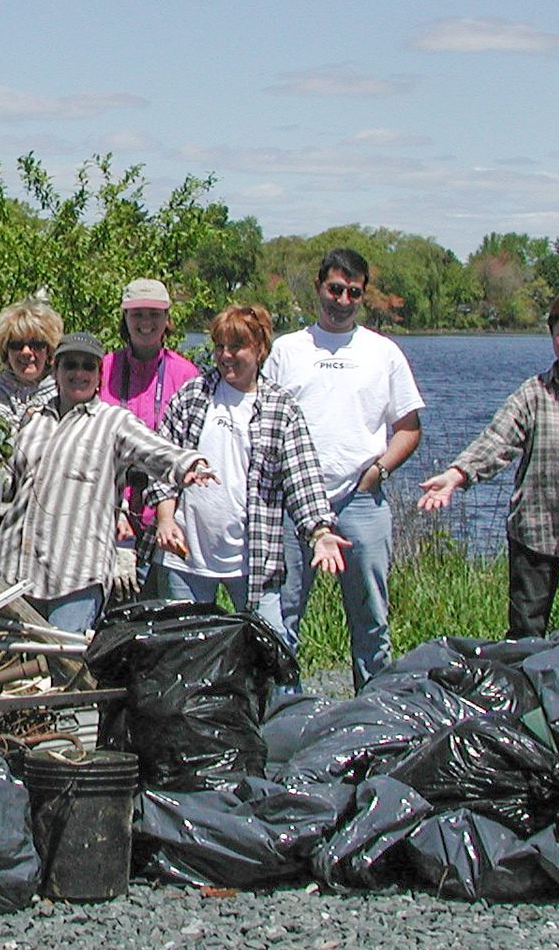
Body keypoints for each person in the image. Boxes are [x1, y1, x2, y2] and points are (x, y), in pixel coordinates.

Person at [417, 290, 559, 638]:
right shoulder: (534, 392)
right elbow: (496, 441)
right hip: (536, 530)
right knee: (526, 633)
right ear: (552, 336)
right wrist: (456, 475)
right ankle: (528, 691)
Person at [264, 248, 425, 689]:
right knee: (282, 615)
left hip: (362, 501)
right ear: (319, 288)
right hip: (294, 504)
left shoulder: (383, 352)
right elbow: (263, 422)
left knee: (371, 619)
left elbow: (409, 429)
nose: (342, 300)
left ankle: (375, 711)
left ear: (363, 296)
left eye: (353, 292)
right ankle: (283, 710)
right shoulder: (286, 350)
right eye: (335, 289)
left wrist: (380, 471)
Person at [148, 305, 348, 641]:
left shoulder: (281, 408)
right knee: (184, 648)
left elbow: (303, 479)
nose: (225, 356)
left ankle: (281, 697)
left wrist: (320, 532)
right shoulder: (192, 396)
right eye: (219, 347)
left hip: (254, 558)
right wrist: (166, 520)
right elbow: (162, 463)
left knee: (271, 645)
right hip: (187, 557)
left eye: (236, 347)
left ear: (260, 349)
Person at [0, 331, 213, 633]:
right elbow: (6, 480)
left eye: (88, 366)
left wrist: (187, 465)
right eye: (70, 365)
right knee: (14, 670)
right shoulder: (33, 419)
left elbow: (154, 449)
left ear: (99, 375)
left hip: (74, 575)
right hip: (17, 570)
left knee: (66, 669)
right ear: (56, 370)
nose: (78, 373)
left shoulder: (113, 422)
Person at [101, 277, 201, 582]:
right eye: (137, 314)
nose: (146, 322)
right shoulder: (103, 368)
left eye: (154, 314)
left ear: (167, 319)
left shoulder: (186, 374)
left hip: (168, 519)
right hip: (110, 515)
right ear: (125, 319)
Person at [0, 299, 62, 422]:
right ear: (6, 351)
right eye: (17, 344)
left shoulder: (64, 396)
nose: (26, 352)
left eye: (36, 344)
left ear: (49, 350)